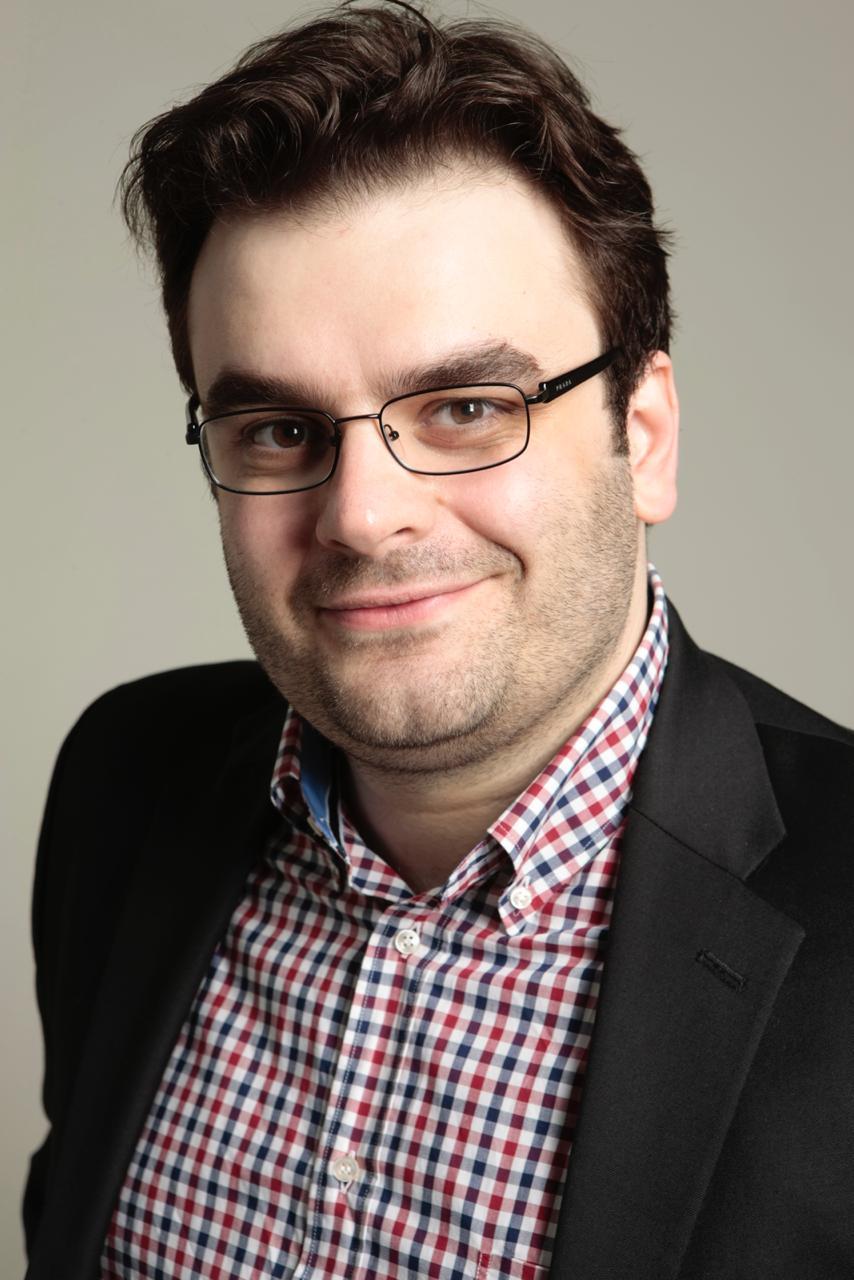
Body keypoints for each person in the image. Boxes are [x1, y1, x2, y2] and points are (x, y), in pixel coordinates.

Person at [23, 3, 854, 1278]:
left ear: (643, 434)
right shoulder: (122, 777)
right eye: (279, 431)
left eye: (466, 407)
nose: (362, 515)